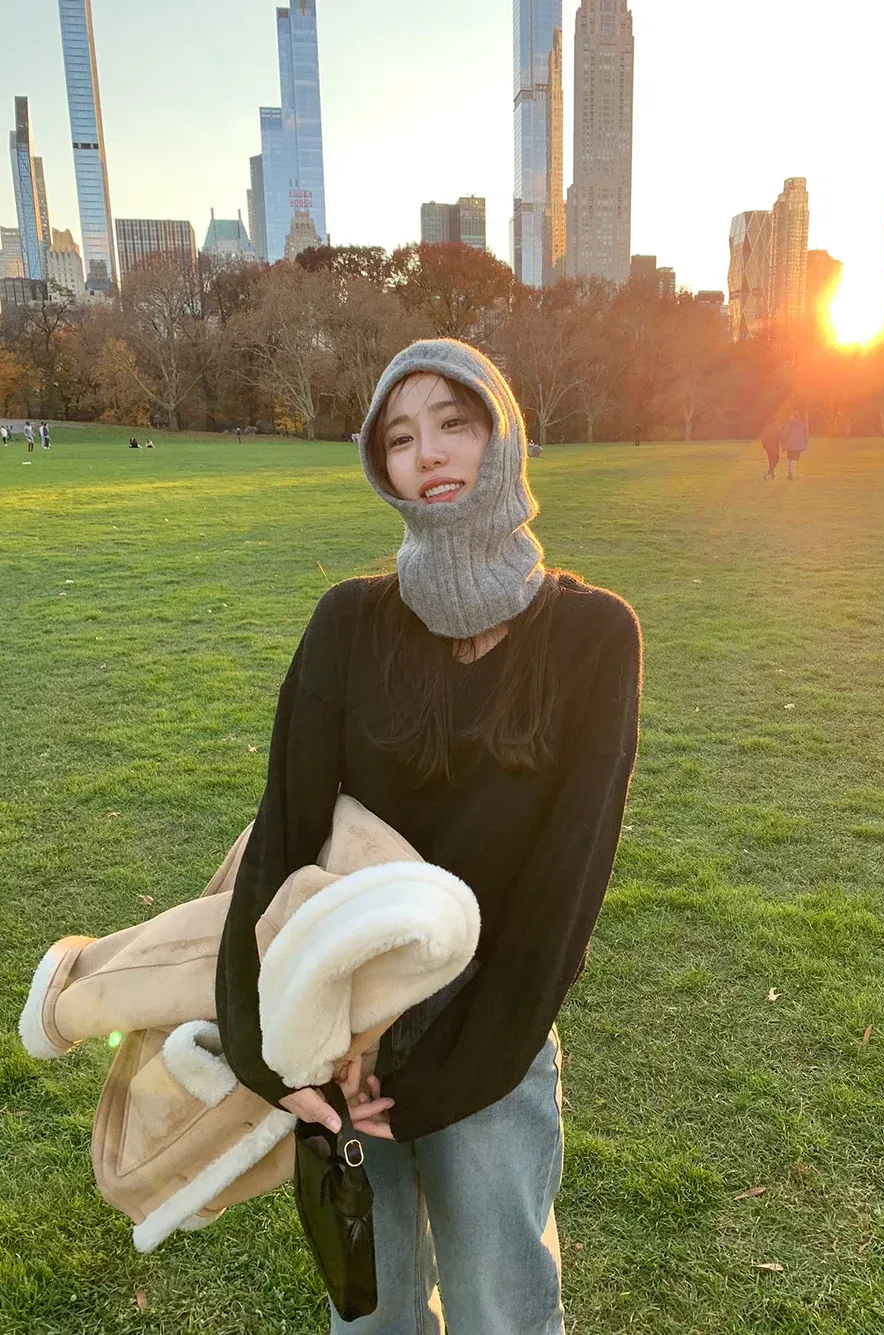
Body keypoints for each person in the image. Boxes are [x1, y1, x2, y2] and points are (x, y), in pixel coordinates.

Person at [217, 339, 642, 1335]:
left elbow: (562, 897)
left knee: (504, 1309)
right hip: (346, 1030)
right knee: (373, 1316)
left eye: (455, 422)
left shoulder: (594, 637)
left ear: (504, 437)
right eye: (400, 438)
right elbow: (282, 835)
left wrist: (452, 1079)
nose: (429, 454)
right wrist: (274, 1056)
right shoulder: (347, 622)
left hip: (491, 1042)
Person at [781, 411, 808, 480]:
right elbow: (805, 435)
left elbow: (785, 433)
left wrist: (783, 442)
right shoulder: (803, 425)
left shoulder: (790, 424)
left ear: (794, 417)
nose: (790, 417)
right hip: (798, 445)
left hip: (790, 445)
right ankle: (791, 474)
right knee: (794, 460)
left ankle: (789, 474)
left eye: (791, 416)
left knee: (789, 460)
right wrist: (805, 444)